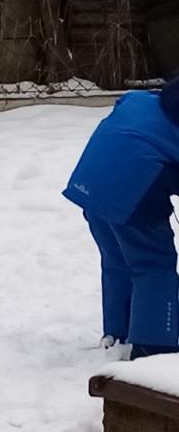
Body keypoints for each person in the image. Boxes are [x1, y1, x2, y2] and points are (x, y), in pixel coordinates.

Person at [64, 77, 179, 359]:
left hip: (89, 183)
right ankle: (154, 347)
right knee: (153, 263)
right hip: (133, 192)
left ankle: (118, 334)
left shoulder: (140, 100)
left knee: (118, 261)